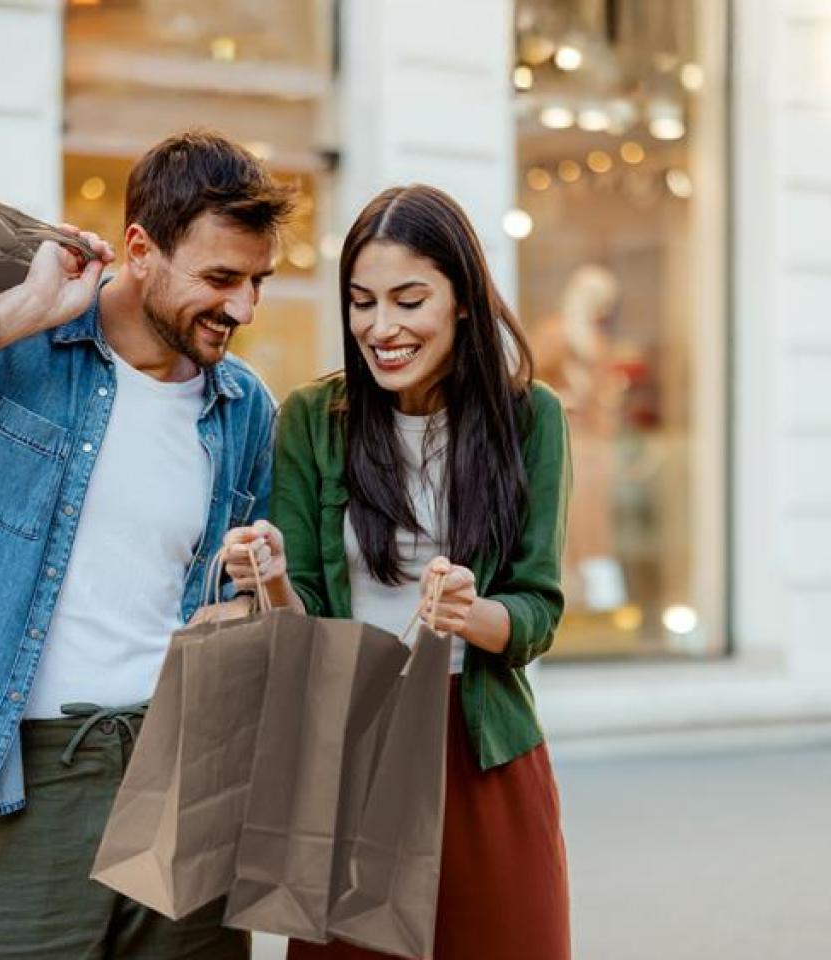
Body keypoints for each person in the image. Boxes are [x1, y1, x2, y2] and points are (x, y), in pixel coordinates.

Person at [0, 131, 293, 959]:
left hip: (187, 765)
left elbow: (237, 605)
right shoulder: (22, 357)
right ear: (140, 249)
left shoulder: (243, 406)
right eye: (220, 279)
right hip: (34, 777)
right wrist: (16, 313)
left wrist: (255, 589)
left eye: (258, 282)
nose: (244, 308)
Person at [223, 184, 573, 959]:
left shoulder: (531, 420)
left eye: (409, 300)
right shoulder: (316, 418)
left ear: (464, 304)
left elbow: (538, 610)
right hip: (354, 751)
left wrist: (470, 612)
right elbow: (304, 616)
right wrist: (273, 576)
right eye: (361, 302)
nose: (381, 328)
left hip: (483, 759)